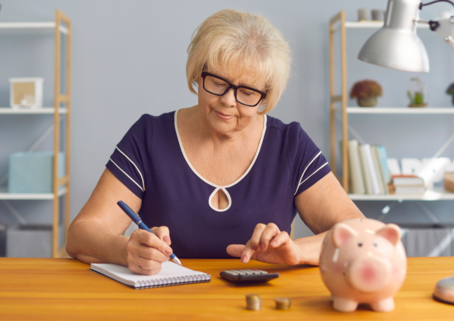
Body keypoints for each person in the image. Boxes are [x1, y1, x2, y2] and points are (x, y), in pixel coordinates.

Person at [66, 9, 365, 275]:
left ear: (266, 95)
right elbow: (80, 235)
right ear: (198, 72)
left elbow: (360, 231)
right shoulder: (150, 136)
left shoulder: (290, 145)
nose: (227, 102)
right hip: (166, 307)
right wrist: (124, 250)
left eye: (247, 92)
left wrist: (297, 252)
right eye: (218, 82)